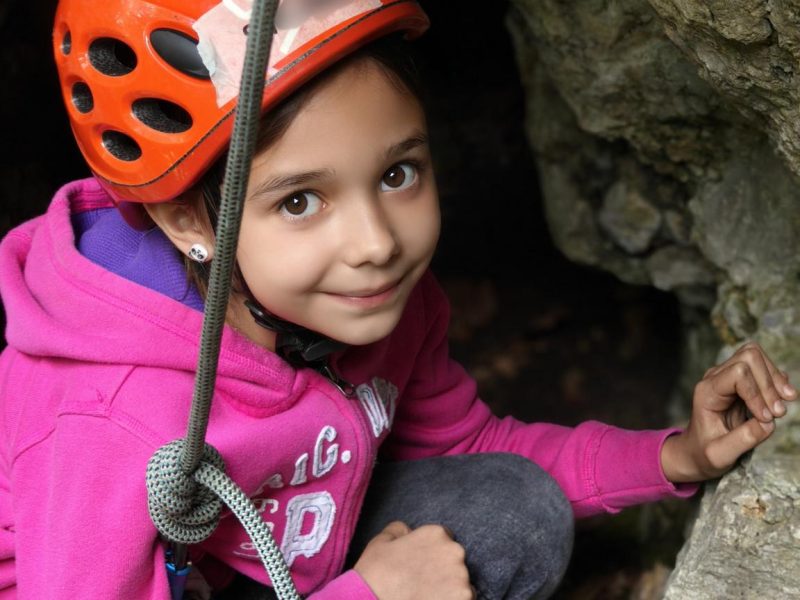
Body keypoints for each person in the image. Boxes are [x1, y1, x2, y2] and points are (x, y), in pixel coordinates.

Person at [0, 1, 795, 599]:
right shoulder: (113, 417)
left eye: (396, 173)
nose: (376, 241)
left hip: (278, 556)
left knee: (514, 512)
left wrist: (674, 455)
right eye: (300, 202)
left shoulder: (364, 298)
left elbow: (469, 446)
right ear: (184, 219)